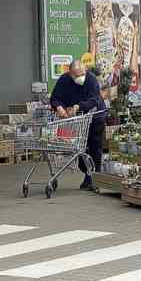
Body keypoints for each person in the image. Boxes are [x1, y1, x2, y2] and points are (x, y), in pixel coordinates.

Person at [50, 60, 106, 191]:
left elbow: (95, 100)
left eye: (82, 73)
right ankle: (87, 173)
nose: (81, 77)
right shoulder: (64, 80)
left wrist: (79, 106)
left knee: (94, 147)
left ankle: (93, 179)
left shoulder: (91, 80)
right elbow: (54, 98)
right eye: (77, 75)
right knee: (79, 148)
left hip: (95, 117)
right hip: (77, 120)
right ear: (70, 73)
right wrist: (59, 107)